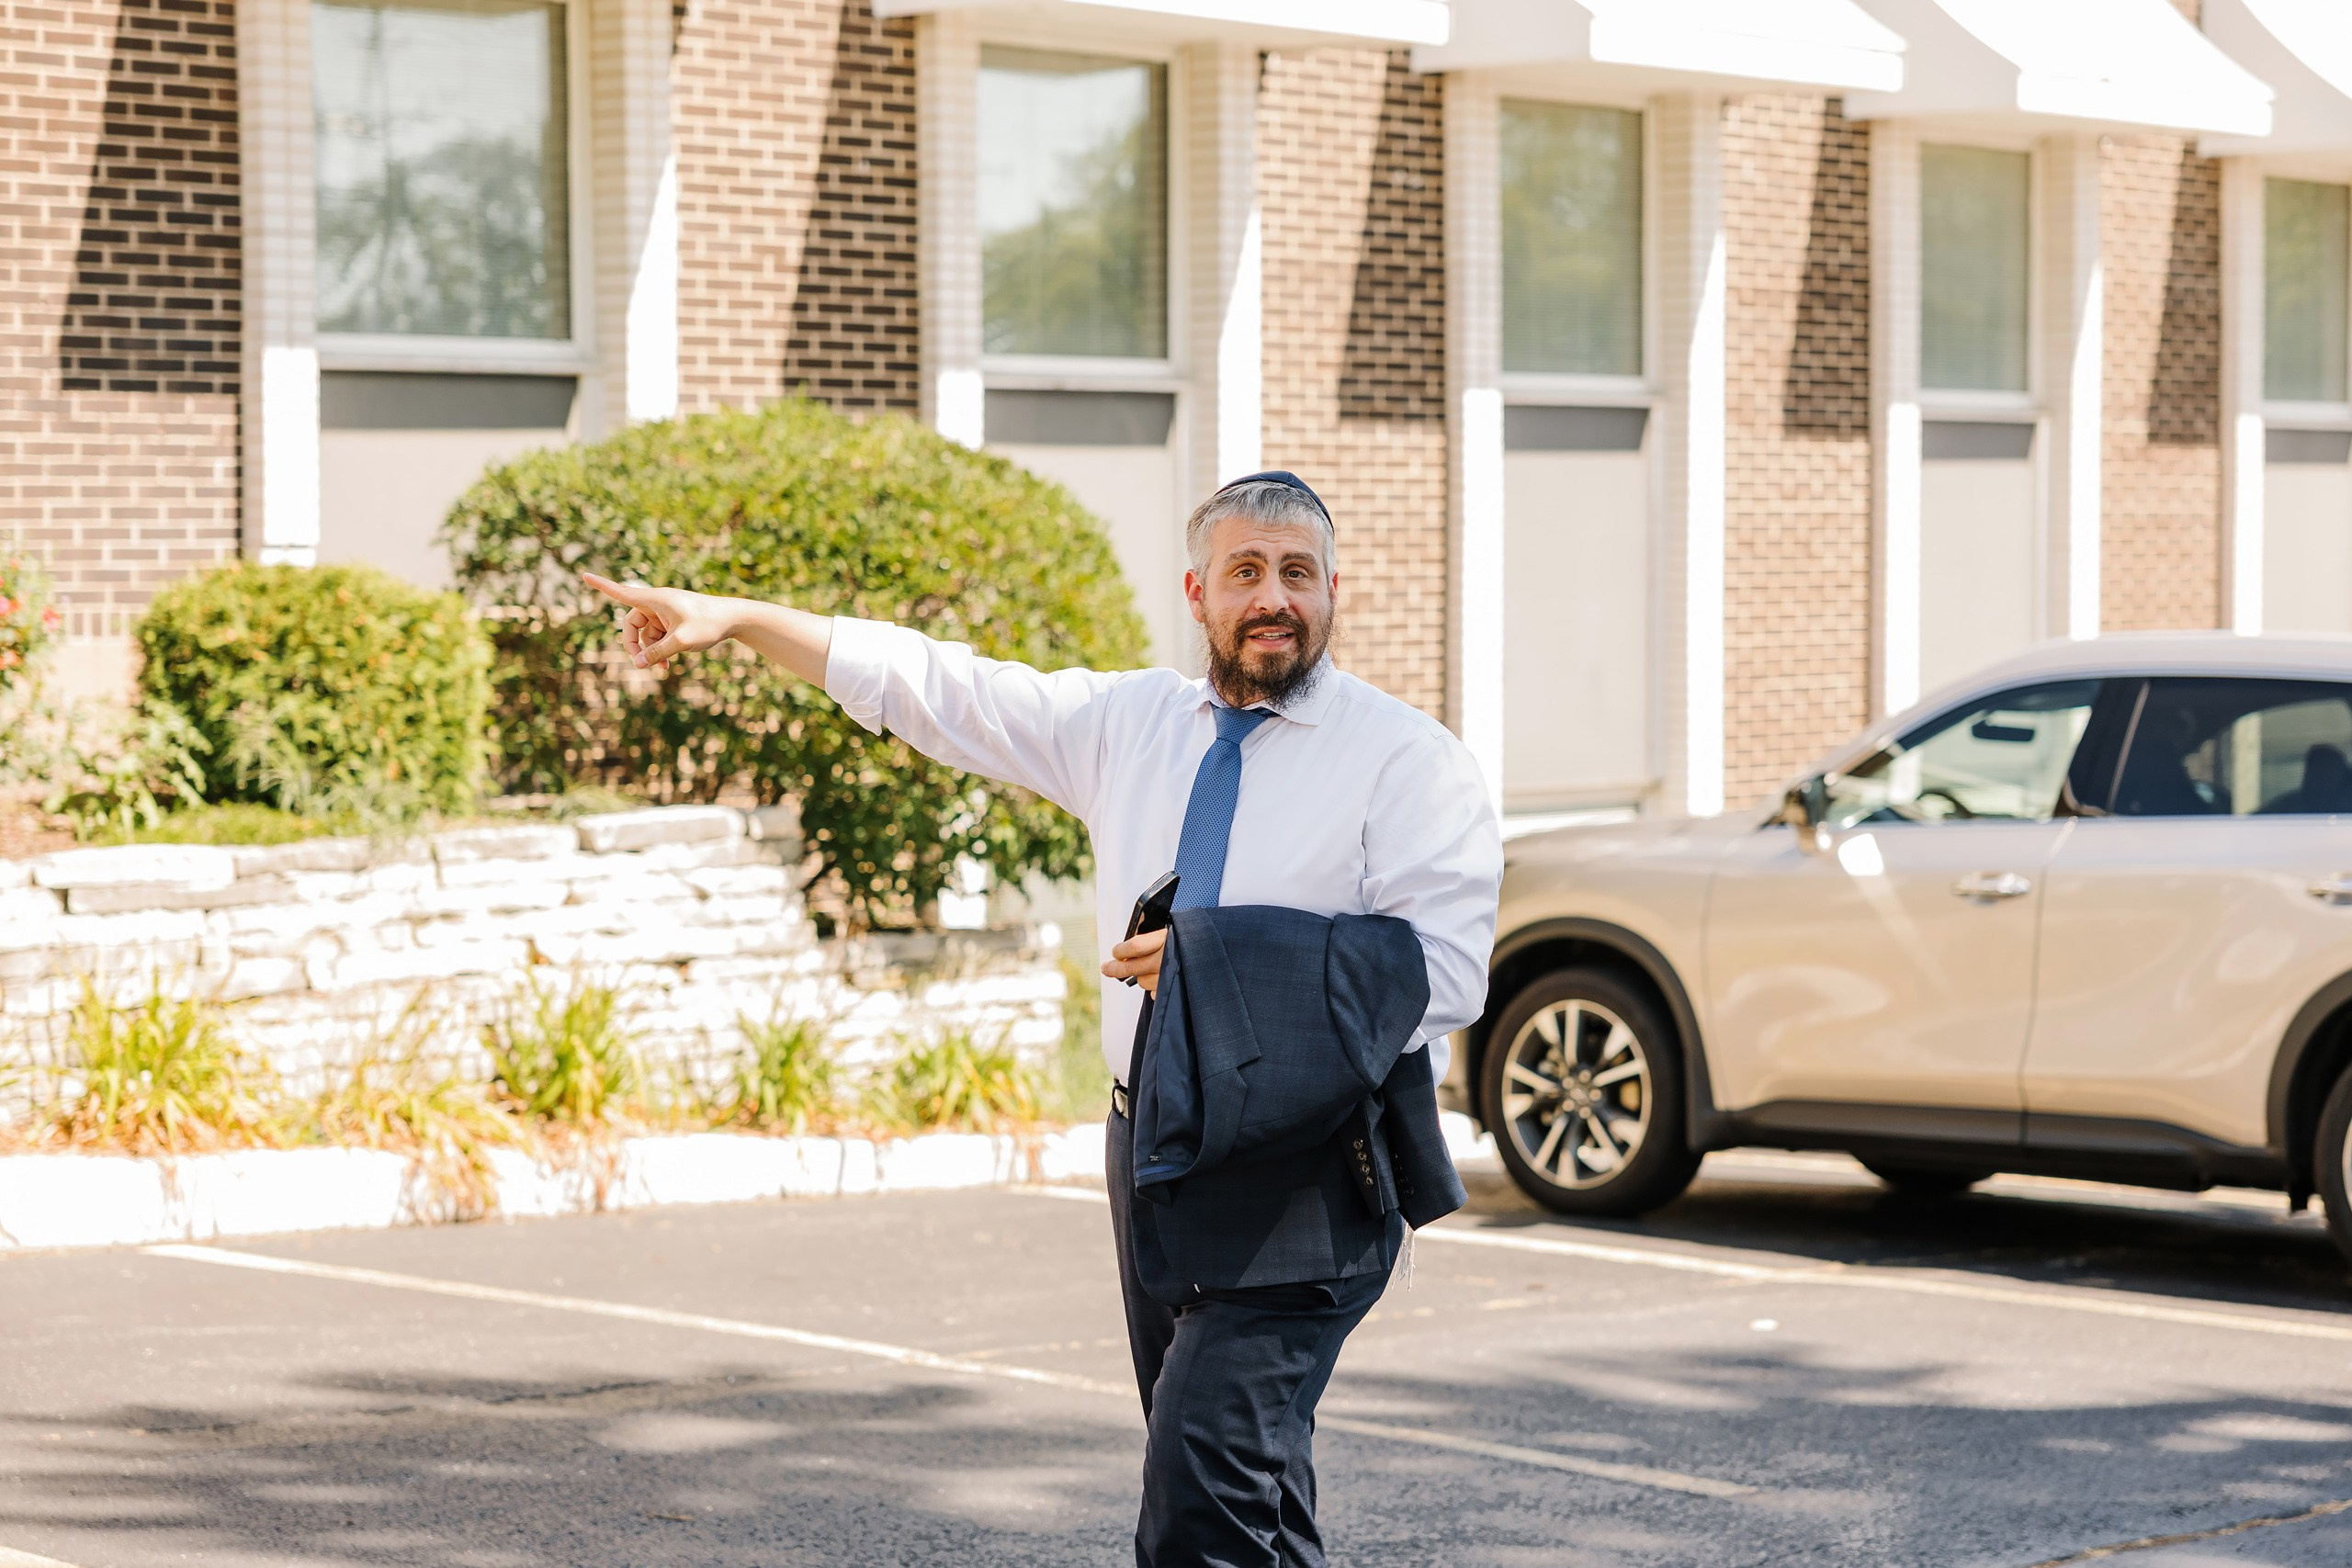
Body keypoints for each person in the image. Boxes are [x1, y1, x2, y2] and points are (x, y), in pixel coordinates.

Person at [583, 469, 1502, 1565]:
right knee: (1245, 1483)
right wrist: (738, 621)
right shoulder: (1131, 726)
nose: (1274, 597)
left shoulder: (1407, 759)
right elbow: (940, 689)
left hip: (1310, 1169)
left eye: (1297, 573)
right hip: (1151, 1149)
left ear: (1333, 590)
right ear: (1196, 593)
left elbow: (1444, 971)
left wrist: (1219, 967)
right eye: (1245, 572)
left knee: (1201, 1477)